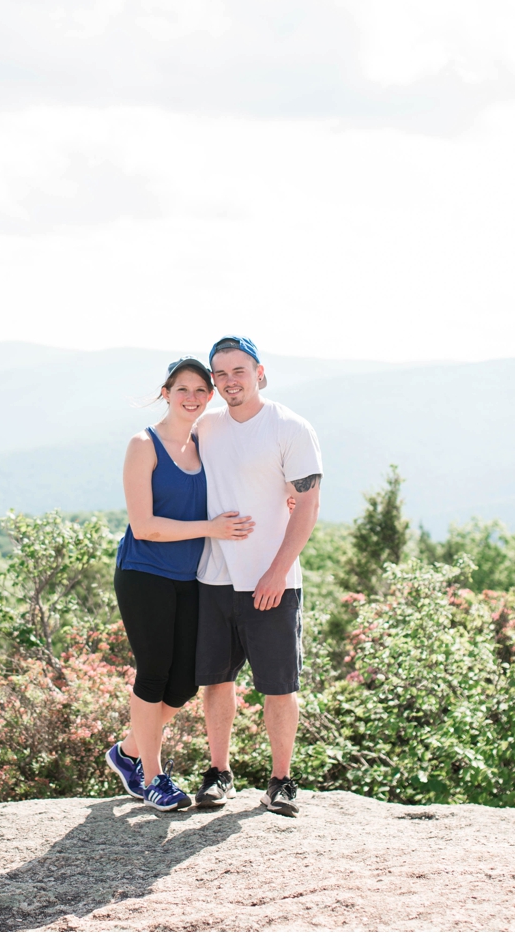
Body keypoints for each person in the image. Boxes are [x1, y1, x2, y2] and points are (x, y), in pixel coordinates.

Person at [104, 356, 255, 812]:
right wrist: (211, 528)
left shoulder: (206, 442)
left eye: (199, 391)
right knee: (153, 673)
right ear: (165, 393)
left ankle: (128, 750)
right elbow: (144, 525)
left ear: (209, 398)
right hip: (144, 573)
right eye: (182, 389)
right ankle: (152, 777)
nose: (191, 398)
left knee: (187, 679)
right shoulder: (142, 445)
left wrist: (287, 493)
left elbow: (243, 475)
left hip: (190, 577)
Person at [191, 336, 322, 817]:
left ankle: (282, 781)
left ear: (259, 372)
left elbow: (307, 503)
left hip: (273, 580)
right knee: (216, 681)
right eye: (220, 374)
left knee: (279, 685)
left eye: (238, 371)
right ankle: (218, 773)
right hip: (213, 576)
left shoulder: (290, 426)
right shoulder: (205, 426)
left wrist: (276, 572)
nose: (229, 382)